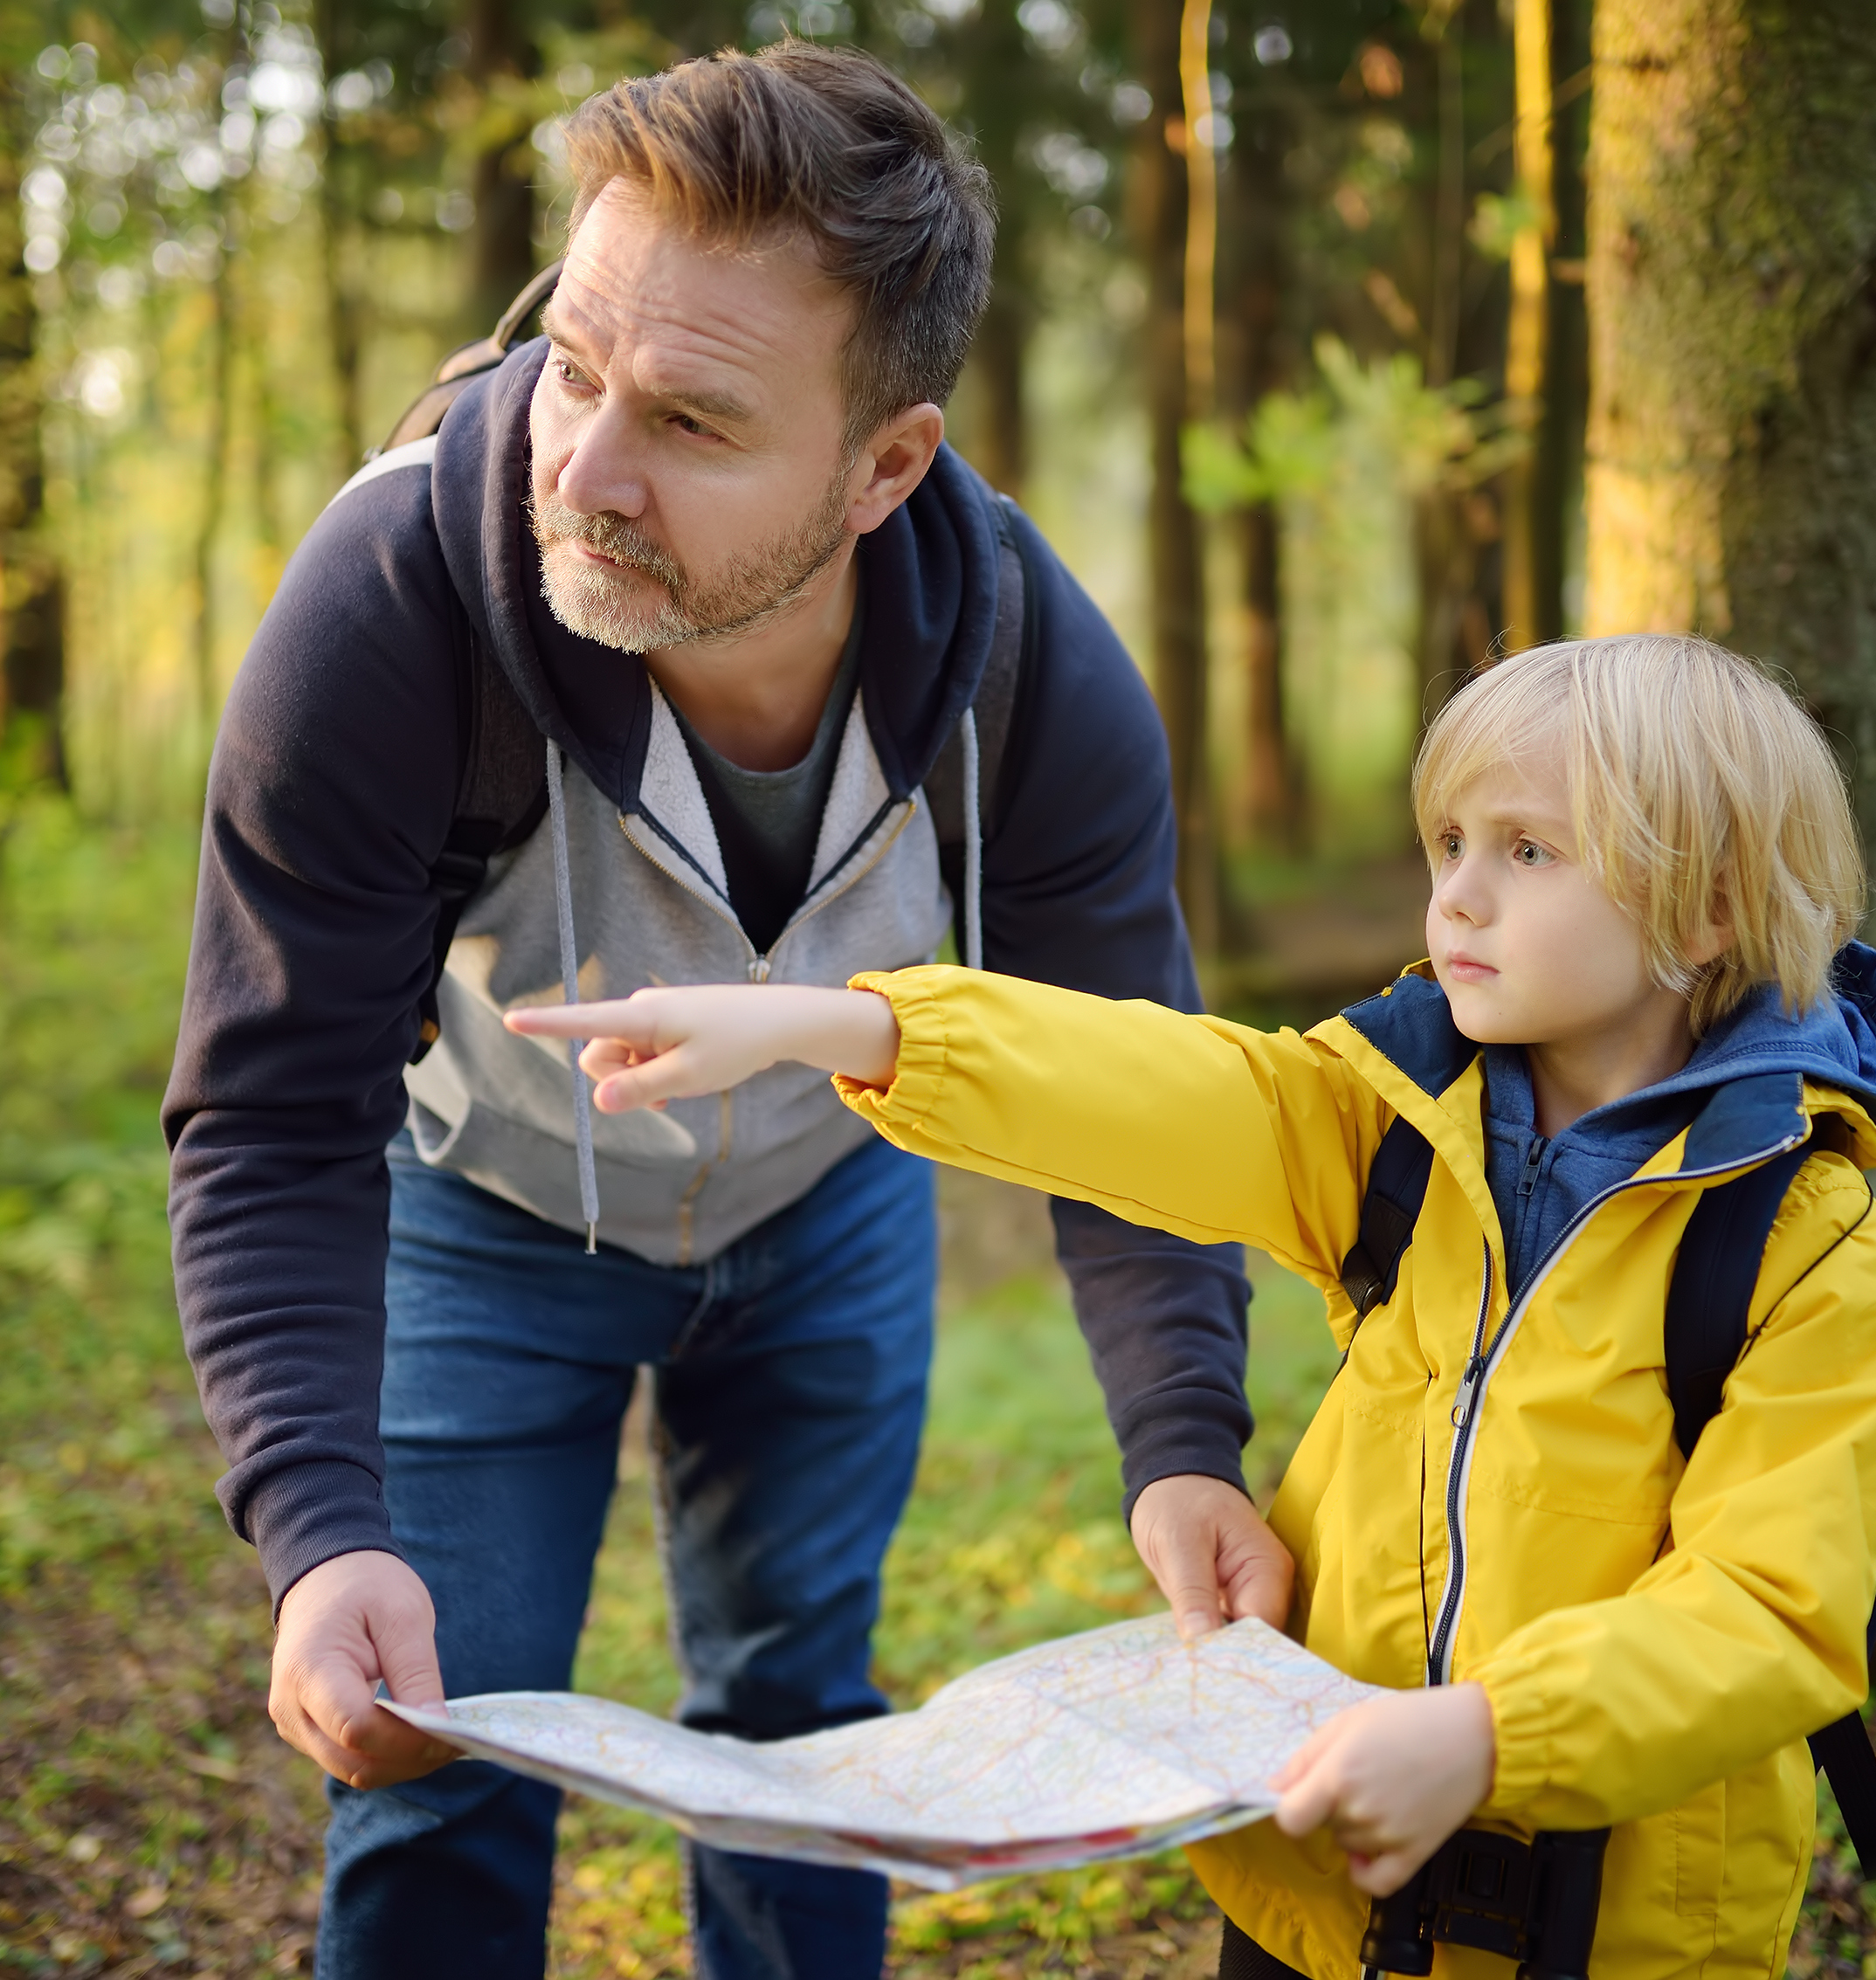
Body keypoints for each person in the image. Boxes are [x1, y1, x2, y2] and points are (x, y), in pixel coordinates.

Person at [162, 42, 1292, 1980]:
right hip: (483, 1214)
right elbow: (269, 1113)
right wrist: (319, 1523)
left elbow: (1134, 1089)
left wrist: (1181, 1436)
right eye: (576, 371)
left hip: (828, 1214)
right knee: (433, 1764)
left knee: (797, 1726)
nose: (583, 470)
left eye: (688, 421)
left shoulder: (1033, 672)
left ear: (885, 468)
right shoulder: (384, 608)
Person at [511, 634, 1876, 1978]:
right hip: (1316, 1888)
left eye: (1529, 851)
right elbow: (1158, 1091)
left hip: (1614, 1926)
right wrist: (839, 1021)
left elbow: (1770, 1614)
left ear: (1703, 906)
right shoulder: (1388, 1122)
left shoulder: (1809, 1257)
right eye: (1451, 843)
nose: (1458, 894)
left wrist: (1489, 1738)